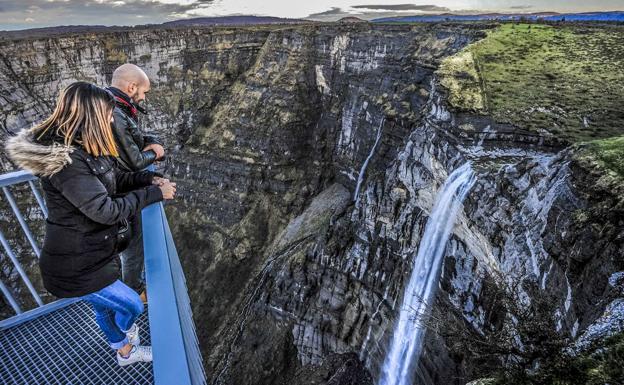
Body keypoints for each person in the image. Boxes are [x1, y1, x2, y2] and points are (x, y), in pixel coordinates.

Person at [5, 81, 177, 366]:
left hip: (94, 253)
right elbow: (104, 209)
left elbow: (115, 180)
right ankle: (127, 339)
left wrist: (147, 179)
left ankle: (124, 353)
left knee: (105, 310)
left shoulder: (85, 148)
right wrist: (153, 194)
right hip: (75, 266)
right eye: (109, 114)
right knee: (131, 305)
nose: (112, 120)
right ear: (93, 116)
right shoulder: (67, 162)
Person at [106, 63, 165, 302]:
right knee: (133, 244)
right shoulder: (117, 113)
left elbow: (132, 139)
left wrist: (150, 139)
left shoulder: (110, 104)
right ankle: (134, 292)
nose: (143, 98)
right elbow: (136, 160)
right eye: (143, 92)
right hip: (122, 188)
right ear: (131, 87)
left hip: (113, 183)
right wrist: (157, 153)